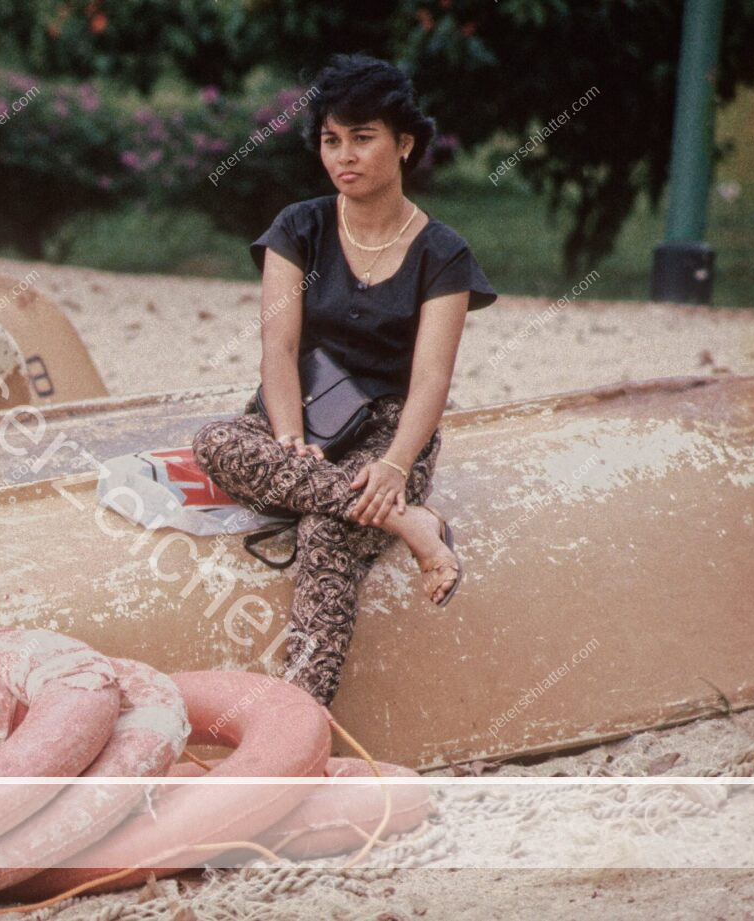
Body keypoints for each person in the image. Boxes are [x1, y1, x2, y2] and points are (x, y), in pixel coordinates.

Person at [192, 54, 496, 708]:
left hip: (388, 434)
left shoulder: (443, 253)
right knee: (216, 441)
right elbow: (279, 345)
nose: (344, 155)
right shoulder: (298, 228)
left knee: (325, 532)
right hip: (297, 413)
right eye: (332, 139)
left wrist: (392, 467)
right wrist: (291, 435)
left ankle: (297, 724)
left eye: (363, 137)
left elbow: (432, 379)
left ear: (404, 143)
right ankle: (414, 525)